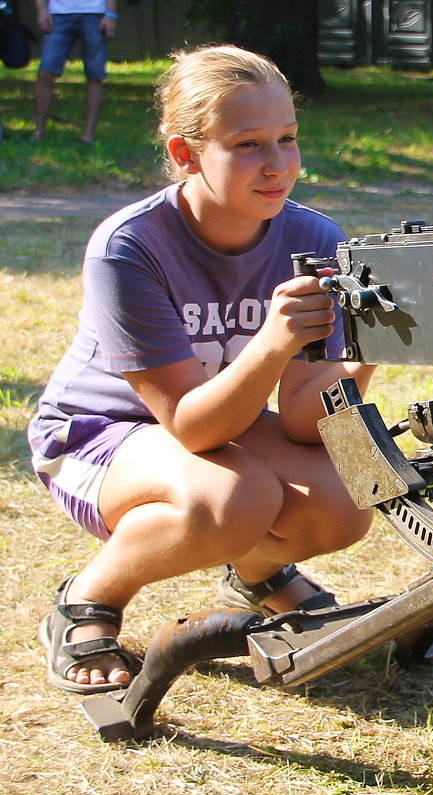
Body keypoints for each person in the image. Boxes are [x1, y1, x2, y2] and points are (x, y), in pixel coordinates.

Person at [28, 45, 375, 694]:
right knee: (233, 497)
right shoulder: (129, 247)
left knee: (346, 496)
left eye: (288, 139)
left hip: (215, 423)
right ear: (186, 155)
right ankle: (88, 599)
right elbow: (189, 425)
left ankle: (257, 573)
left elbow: (303, 417)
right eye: (248, 145)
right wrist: (272, 340)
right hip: (96, 434)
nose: (277, 165)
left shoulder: (315, 239)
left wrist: (367, 352)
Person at [32, 0, 116, 142]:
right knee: (45, 72)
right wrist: (42, 10)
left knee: (95, 75)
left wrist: (111, 15)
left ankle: (88, 135)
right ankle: (39, 132)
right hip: (57, 14)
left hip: (95, 14)